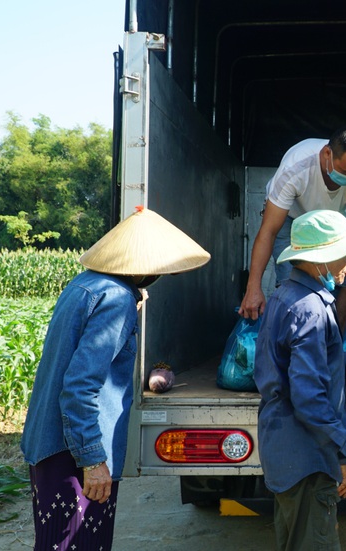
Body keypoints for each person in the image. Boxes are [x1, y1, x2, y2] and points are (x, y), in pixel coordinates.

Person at [21, 206, 210, 551]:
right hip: (73, 454)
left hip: (50, 446)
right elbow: (79, 387)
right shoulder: (116, 300)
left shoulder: (87, 285)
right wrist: (93, 459)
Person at [253, 209, 346, 551]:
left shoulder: (285, 295)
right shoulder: (311, 308)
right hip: (307, 457)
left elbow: (282, 364)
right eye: (345, 254)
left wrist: (341, 360)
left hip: (287, 452)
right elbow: (308, 398)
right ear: (321, 259)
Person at [239, 126, 346, 330]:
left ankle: (334, 350)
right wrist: (253, 287)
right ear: (327, 154)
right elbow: (268, 232)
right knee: (293, 287)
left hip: (328, 221)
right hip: (290, 219)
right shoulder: (296, 168)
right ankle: (293, 348)